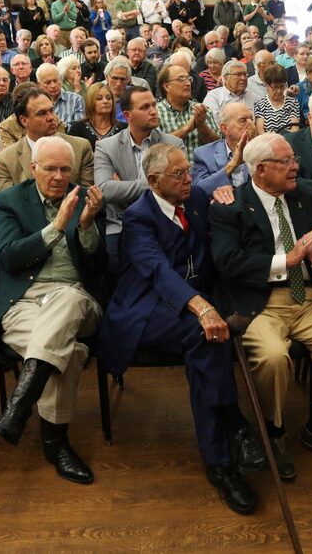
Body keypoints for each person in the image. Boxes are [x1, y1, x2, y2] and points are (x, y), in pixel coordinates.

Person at [99, 142, 265, 513]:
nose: (189, 178)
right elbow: (157, 271)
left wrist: (227, 193)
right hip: (144, 308)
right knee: (205, 332)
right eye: (179, 174)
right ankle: (233, 430)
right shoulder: (138, 217)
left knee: (207, 340)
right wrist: (204, 308)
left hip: (189, 304)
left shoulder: (192, 200)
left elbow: (229, 205)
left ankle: (220, 460)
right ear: (154, 181)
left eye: (188, 170)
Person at [210, 132, 312, 480]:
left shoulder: (305, 196)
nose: (297, 166)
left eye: (294, 159)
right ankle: (273, 433)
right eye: (287, 161)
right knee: (273, 356)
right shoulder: (231, 206)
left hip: (307, 298)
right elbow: (227, 262)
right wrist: (286, 260)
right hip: (260, 301)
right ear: (261, 169)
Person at [0, 136, 106, 485]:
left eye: (65, 170)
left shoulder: (85, 198)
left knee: (68, 300)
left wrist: (85, 226)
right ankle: (56, 445)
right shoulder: (10, 200)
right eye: (50, 168)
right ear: (33, 167)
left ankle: (18, 410)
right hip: (23, 301)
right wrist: (56, 227)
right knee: (67, 354)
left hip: (75, 298)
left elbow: (99, 268)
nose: (58, 176)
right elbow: (8, 258)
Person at [94, 85, 185, 268]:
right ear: (127, 116)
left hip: (164, 220)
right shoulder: (107, 147)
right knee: (113, 267)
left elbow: (180, 188)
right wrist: (157, 184)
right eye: (145, 107)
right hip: (121, 224)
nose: (153, 111)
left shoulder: (173, 144)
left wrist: (124, 190)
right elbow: (104, 190)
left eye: (153, 105)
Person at [0, 88, 93, 190]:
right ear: (24, 120)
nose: (51, 117)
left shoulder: (81, 148)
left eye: (51, 110)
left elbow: (86, 196)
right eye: (42, 113)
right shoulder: (6, 160)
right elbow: (7, 203)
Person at [156, 64, 219, 160]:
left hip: (203, 171)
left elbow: (217, 145)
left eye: (189, 79)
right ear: (166, 86)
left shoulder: (201, 109)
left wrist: (202, 126)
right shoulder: (156, 112)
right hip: (171, 171)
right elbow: (156, 148)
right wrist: (186, 129)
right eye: (181, 79)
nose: (188, 83)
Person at [193, 102, 256, 196]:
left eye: (251, 119)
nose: (250, 124)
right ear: (225, 128)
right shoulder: (203, 154)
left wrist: (254, 150)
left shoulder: (263, 149)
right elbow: (198, 190)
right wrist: (233, 164)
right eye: (243, 120)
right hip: (221, 206)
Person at [68, 83, 127, 151]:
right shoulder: (78, 128)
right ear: (90, 101)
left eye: (108, 98)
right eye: (99, 98)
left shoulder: (124, 129)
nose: (105, 101)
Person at [254, 64, 300, 135]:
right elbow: (261, 132)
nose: (279, 91)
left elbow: (295, 129)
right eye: (275, 87)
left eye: (282, 86)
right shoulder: (260, 105)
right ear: (266, 85)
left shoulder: (292, 103)